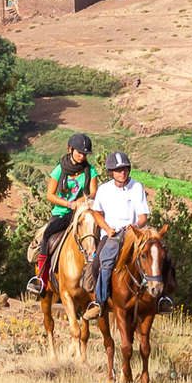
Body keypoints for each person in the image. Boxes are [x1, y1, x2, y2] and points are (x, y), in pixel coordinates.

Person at [81, 150, 148, 321]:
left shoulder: (137, 187)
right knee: (99, 264)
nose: (122, 173)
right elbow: (96, 212)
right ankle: (100, 302)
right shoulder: (104, 190)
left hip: (134, 234)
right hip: (112, 235)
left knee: (159, 255)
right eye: (118, 170)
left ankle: (161, 298)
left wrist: (135, 227)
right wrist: (107, 228)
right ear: (111, 172)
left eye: (125, 169)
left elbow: (143, 217)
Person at [29, 132, 97, 296]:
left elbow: (94, 192)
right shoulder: (59, 169)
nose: (82, 156)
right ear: (70, 149)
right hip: (62, 213)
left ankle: (98, 282)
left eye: (85, 154)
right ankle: (41, 278)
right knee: (47, 237)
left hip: (82, 212)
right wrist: (69, 204)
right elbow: (49, 195)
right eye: (79, 152)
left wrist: (81, 202)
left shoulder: (91, 170)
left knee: (96, 236)